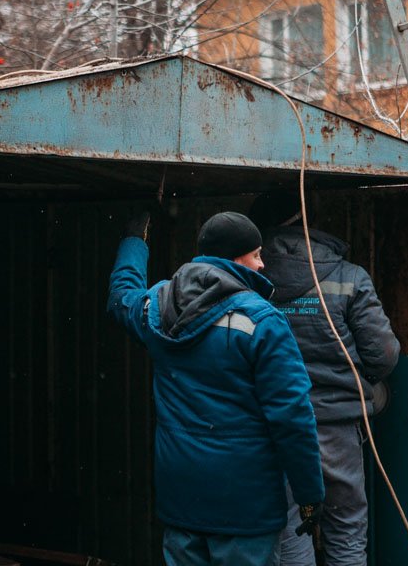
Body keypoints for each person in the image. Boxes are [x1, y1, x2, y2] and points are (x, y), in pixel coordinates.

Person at [107, 210, 325, 566]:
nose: (262, 265)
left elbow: (121, 298)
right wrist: (310, 494)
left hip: (182, 501)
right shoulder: (263, 321)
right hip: (245, 509)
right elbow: (293, 417)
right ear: (235, 258)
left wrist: (134, 241)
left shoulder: (158, 307)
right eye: (256, 254)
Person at [250, 194, 401, 566]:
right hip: (336, 428)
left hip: (273, 426)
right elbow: (384, 356)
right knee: (346, 525)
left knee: (287, 527)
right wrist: (360, 386)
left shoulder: (248, 278)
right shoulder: (349, 277)